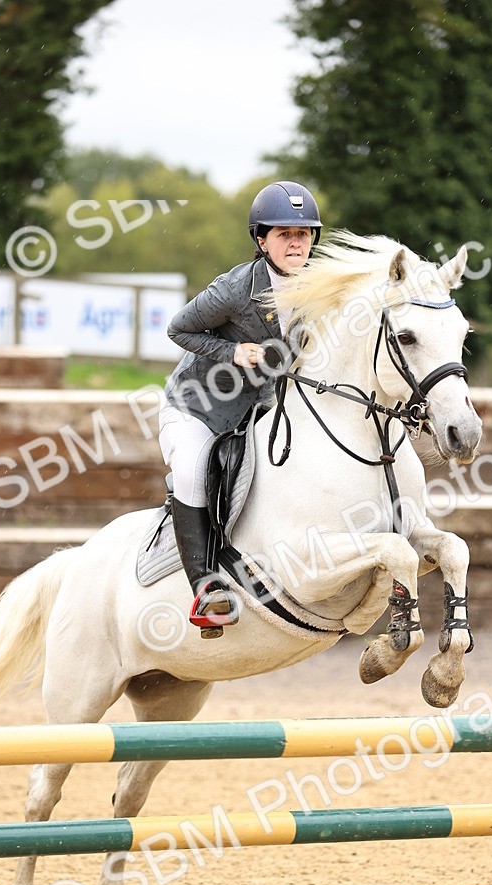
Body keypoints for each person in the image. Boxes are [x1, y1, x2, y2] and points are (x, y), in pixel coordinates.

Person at [159, 180, 322, 636]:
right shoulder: (234, 289)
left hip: (260, 409)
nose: (296, 242)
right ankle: (205, 588)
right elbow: (179, 329)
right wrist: (233, 353)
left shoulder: (316, 289)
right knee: (192, 470)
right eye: (284, 233)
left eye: (304, 234)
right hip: (197, 409)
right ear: (261, 240)